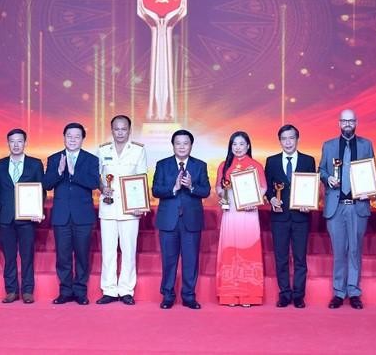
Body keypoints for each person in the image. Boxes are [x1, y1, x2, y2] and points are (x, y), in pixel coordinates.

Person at [319, 109, 375, 309]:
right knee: (339, 251)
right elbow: (322, 170)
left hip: (358, 206)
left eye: (351, 121)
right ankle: (338, 292)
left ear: (356, 122)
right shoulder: (329, 145)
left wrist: (368, 188)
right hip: (336, 206)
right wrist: (327, 178)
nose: (348, 124)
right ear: (339, 123)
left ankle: (353, 291)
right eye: (344, 121)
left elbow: (372, 170)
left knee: (355, 250)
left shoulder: (366, 144)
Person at [42, 122, 101, 305]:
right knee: (63, 255)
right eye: (69, 136)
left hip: (83, 215)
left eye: (77, 136)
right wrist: (60, 171)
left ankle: (80, 292)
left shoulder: (91, 159)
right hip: (61, 215)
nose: (73, 139)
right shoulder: (54, 159)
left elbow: (93, 183)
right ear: (64, 137)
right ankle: (65, 291)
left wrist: (74, 173)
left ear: (83, 139)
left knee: (83, 255)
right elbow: (46, 184)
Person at [152, 129, 210, 310]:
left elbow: (206, 191)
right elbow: (156, 190)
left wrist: (192, 186)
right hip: (169, 220)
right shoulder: (162, 165)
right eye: (178, 143)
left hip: (191, 220)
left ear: (191, 145)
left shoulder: (200, 165)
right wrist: (174, 188)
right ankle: (167, 295)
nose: (182, 146)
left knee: (191, 260)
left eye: (186, 143)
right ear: (173, 145)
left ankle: (189, 296)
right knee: (169, 260)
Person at [96, 115, 148, 306]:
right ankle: (109, 290)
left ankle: (126, 290)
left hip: (130, 209)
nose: (120, 132)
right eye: (116, 129)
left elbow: (141, 178)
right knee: (108, 251)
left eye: (123, 129)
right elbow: (98, 177)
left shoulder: (138, 150)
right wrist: (103, 188)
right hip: (108, 207)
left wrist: (140, 205)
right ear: (111, 130)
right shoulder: (102, 150)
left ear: (129, 130)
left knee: (128, 250)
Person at [264, 124, 317, 308]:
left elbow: (311, 186)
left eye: (291, 138)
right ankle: (284, 294)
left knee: (300, 258)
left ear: (297, 139)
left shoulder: (308, 160)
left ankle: (298, 295)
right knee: (281, 257)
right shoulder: (272, 161)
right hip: (279, 217)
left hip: (301, 217)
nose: (288, 142)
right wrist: (271, 198)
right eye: (284, 139)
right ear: (280, 141)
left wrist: (308, 204)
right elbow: (268, 187)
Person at [214, 131, 266, 307]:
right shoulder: (224, 165)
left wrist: (255, 200)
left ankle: (249, 295)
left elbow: (263, 188)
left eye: (241, 144)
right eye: (234, 144)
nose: (238, 147)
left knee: (247, 249)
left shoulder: (256, 165)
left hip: (249, 212)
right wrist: (223, 194)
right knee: (231, 250)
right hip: (231, 212)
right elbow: (219, 188)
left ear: (248, 146)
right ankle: (230, 294)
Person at [0, 128, 44, 304]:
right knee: (9, 256)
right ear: (8, 143)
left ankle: (28, 291)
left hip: (27, 218)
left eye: (19, 141)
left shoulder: (35, 164)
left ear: (25, 143)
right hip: (5, 217)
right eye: (12, 141)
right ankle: (11, 290)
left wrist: (38, 209)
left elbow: (41, 190)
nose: (16, 144)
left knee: (27, 255)